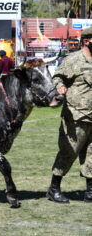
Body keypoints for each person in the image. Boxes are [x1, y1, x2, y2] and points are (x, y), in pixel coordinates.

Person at [46, 26, 92, 204]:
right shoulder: (73, 60)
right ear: (87, 40)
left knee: (91, 155)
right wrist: (60, 87)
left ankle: (89, 192)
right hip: (76, 116)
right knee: (68, 152)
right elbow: (57, 77)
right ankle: (54, 189)